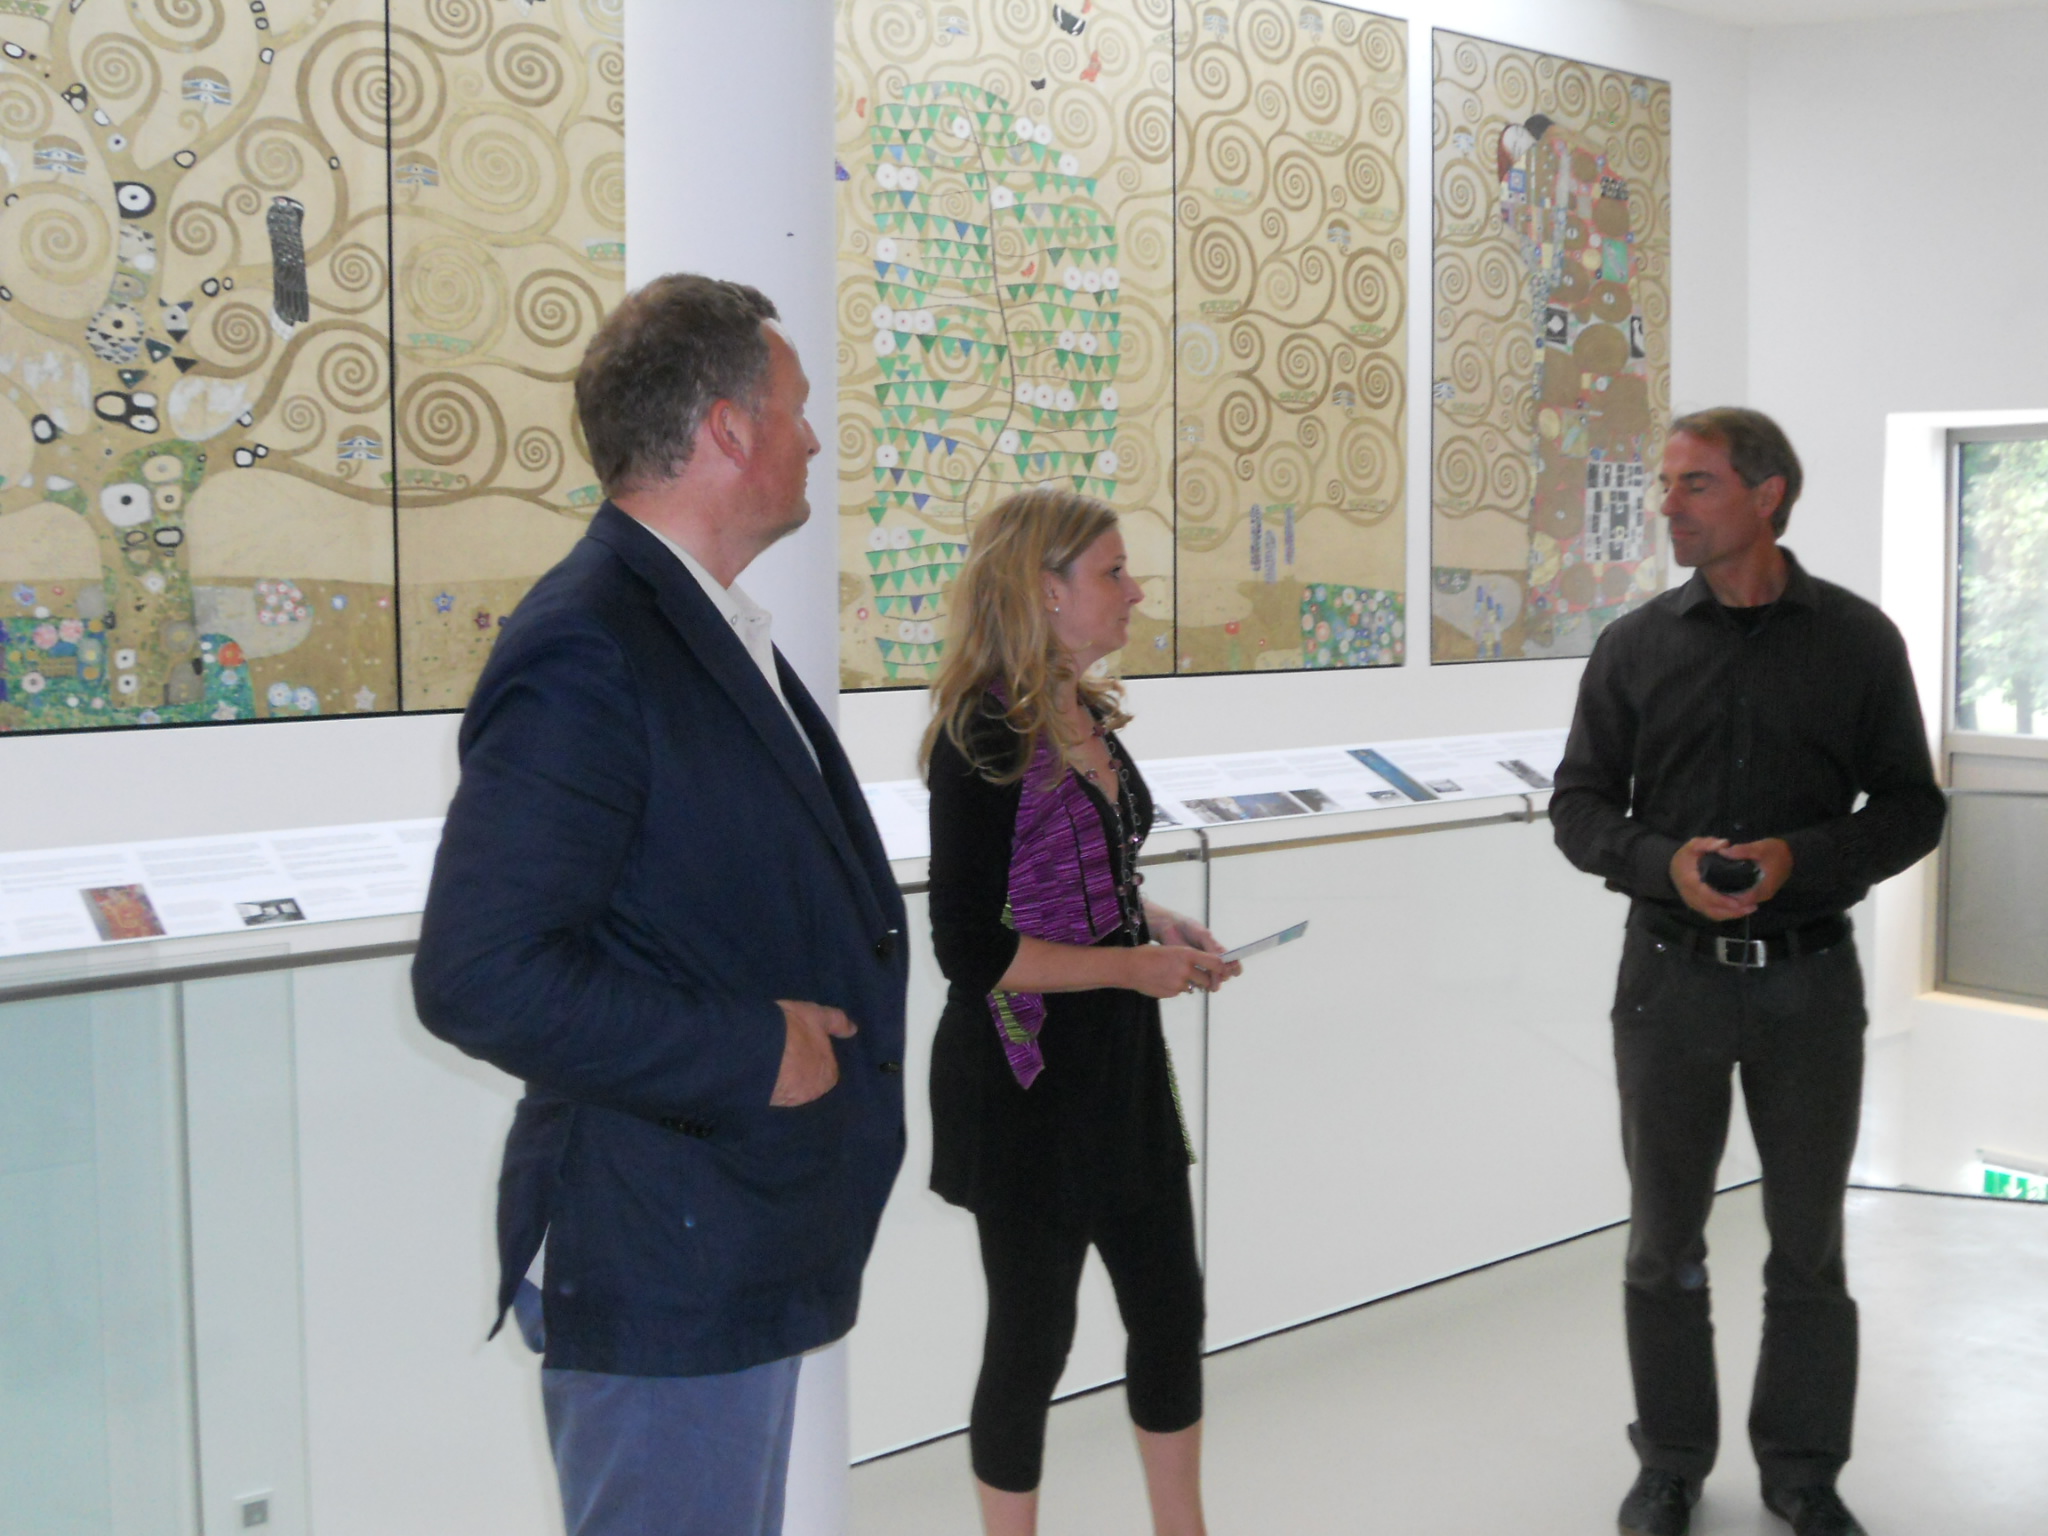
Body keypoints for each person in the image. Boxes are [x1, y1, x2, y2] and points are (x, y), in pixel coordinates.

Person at [411, 274, 908, 1535]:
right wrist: (752, 1048)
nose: (814, 439)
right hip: (663, 1246)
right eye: (795, 409)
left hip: (723, 1227)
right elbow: (479, 972)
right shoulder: (589, 640)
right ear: (728, 429)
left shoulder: (687, 619)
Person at [1551, 409, 1947, 1536]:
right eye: (1667, 484)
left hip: (1808, 984)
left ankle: (1803, 1474)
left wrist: (1798, 859)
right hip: (1666, 982)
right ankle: (1671, 1464)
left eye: (1696, 484)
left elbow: (1911, 808)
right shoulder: (1633, 647)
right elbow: (1578, 807)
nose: (1667, 505)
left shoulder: (1858, 642)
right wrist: (1663, 863)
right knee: (1661, 1243)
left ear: (1767, 496)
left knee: (1808, 1246)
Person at [920, 487, 1240, 1536]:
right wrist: (1127, 966)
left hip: (1116, 1065)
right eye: (1113, 571)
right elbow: (972, 950)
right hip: (1026, 1080)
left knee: (1170, 1312)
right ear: (1045, 591)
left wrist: (1156, 927)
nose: (1134, 591)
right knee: (1032, 1339)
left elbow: (1088, 876)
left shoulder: (1085, 712)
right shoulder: (981, 733)